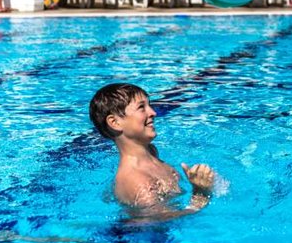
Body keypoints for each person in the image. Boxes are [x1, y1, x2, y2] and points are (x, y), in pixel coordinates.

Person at [89, 83, 215, 219]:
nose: (153, 113)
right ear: (115, 122)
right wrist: (200, 195)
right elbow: (161, 220)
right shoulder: (137, 181)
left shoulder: (151, 152)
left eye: (149, 105)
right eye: (141, 107)